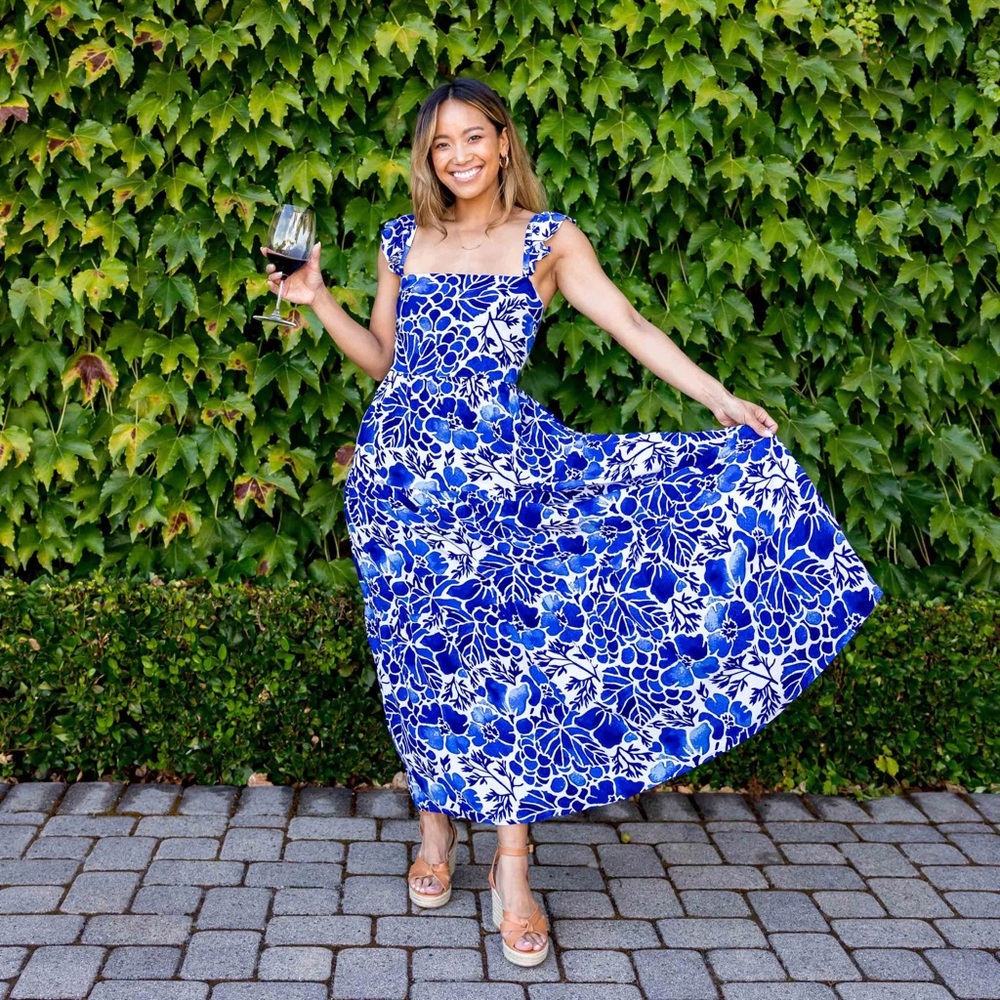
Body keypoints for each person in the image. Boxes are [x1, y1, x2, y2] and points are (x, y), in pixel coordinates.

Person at [262, 77, 881, 967]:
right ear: (427, 158)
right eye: (443, 144)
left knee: (509, 661)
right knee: (419, 657)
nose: (461, 155)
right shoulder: (405, 239)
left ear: (505, 143)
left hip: (507, 479)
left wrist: (719, 398)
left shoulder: (548, 241)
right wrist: (319, 300)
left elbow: (628, 321)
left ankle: (511, 869)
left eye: (475, 136)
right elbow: (386, 362)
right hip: (399, 482)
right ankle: (435, 835)